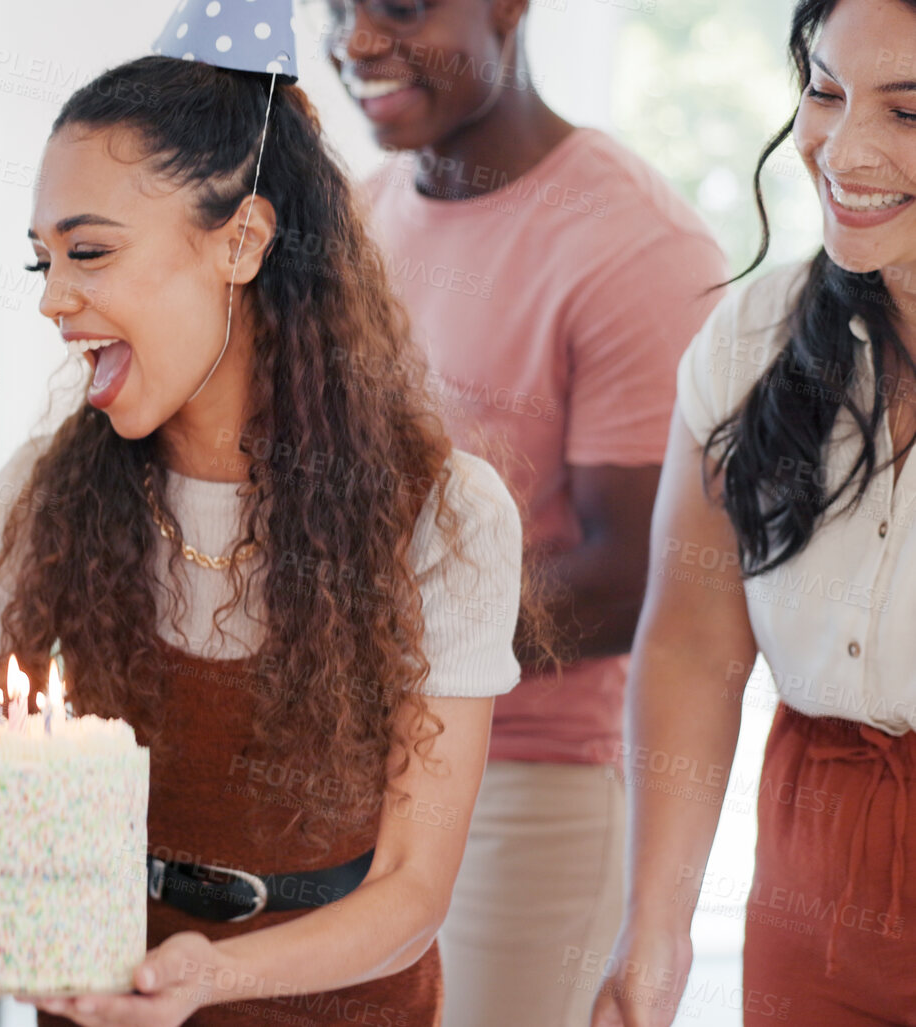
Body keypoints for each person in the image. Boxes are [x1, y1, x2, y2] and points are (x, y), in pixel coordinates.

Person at [0, 44, 526, 1027]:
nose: (52, 299)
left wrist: (211, 977)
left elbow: (411, 894)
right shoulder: (35, 499)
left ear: (241, 243)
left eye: (92, 250)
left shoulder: (447, 515)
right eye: (44, 257)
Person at [324, 1, 728, 1021]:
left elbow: (626, 573)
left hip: (531, 788)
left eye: (400, 6)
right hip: (349, 768)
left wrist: (360, 641)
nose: (358, 39)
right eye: (335, 8)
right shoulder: (359, 215)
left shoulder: (639, 245)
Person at [593, 1, 916, 1024]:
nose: (843, 146)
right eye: (825, 89)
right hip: (813, 876)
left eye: (909, 113)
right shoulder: (753, 339)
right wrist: (656, 930)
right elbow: (693, 644)